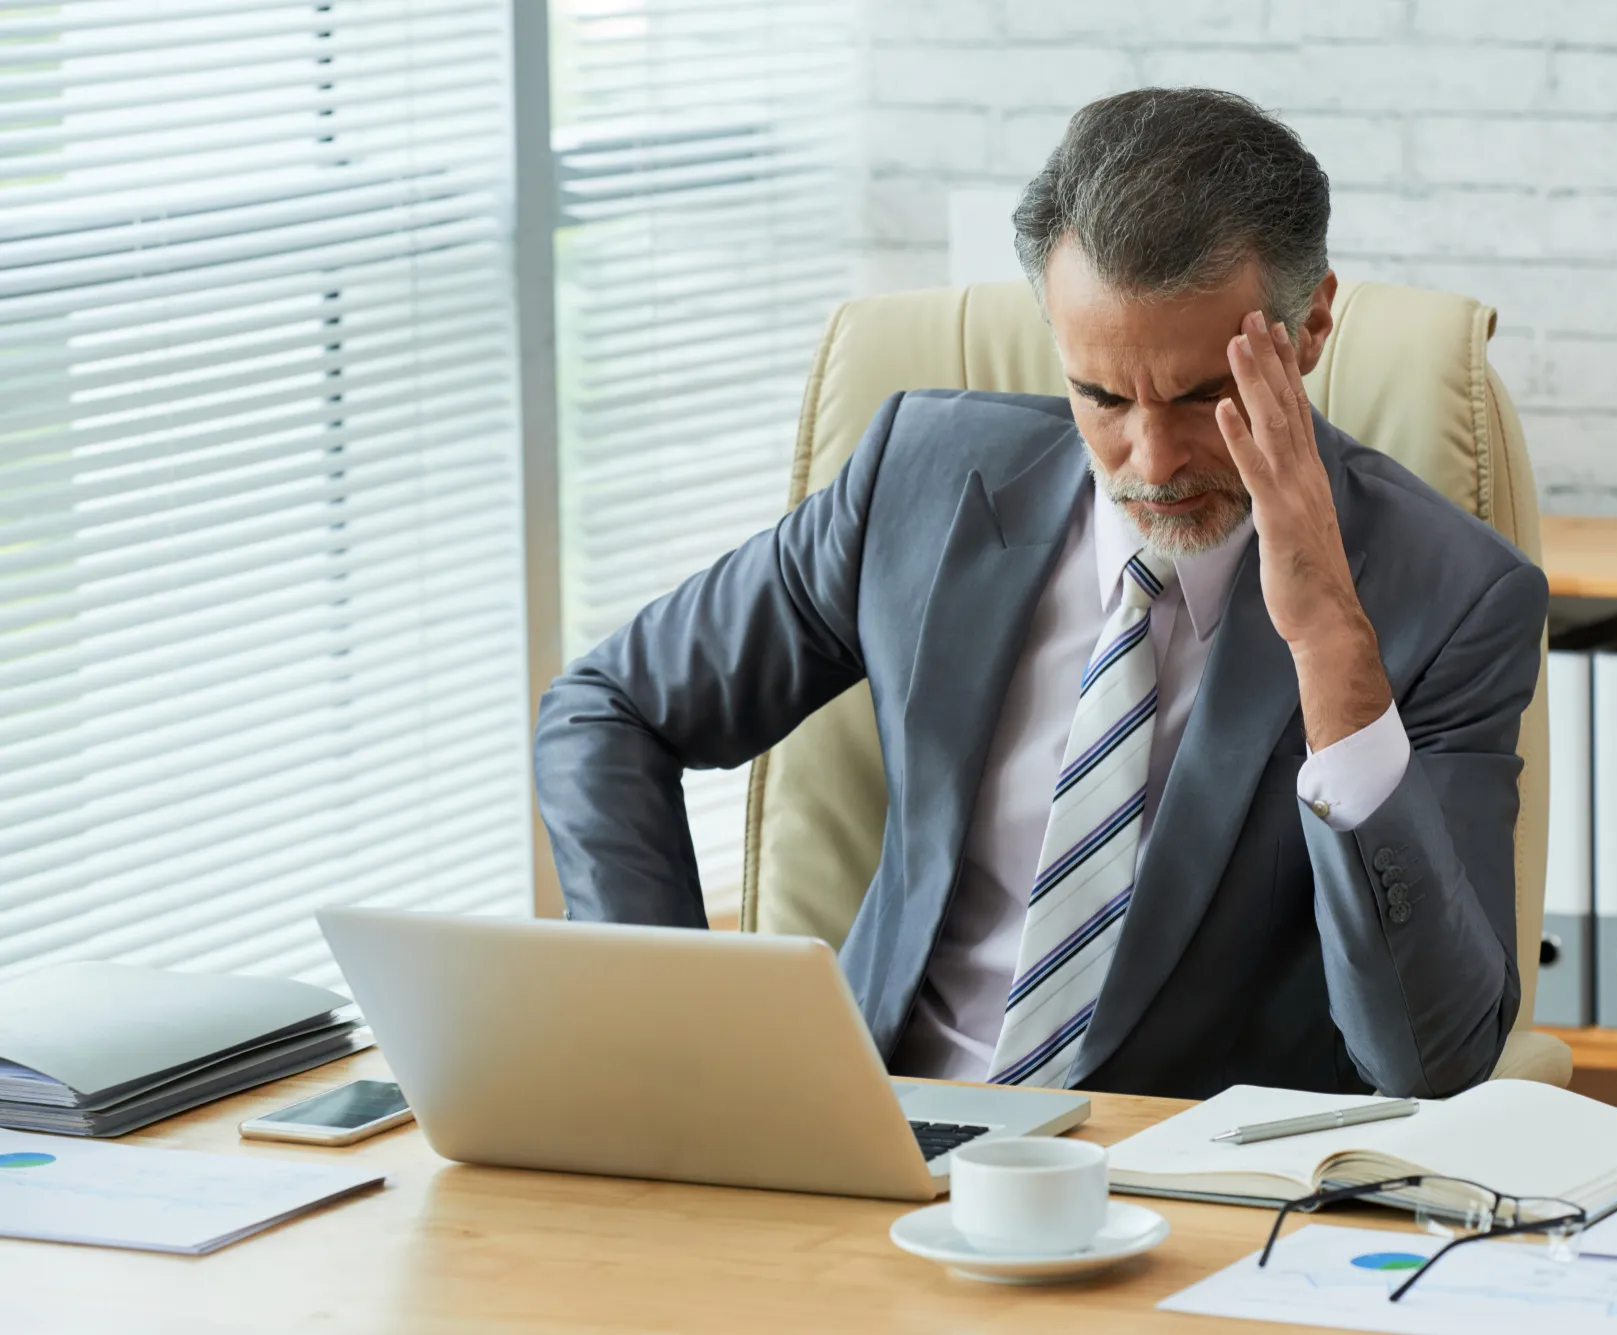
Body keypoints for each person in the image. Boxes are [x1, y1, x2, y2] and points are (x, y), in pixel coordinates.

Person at [534, 87, 1548, 1101]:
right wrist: (661, 1041)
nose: (1150, 460)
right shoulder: (917, 482)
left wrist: (1331, 646)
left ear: (1311, 323)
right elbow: (608, 711)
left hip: (1171, 1192)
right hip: (871, 1143)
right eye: (1101, 396)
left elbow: (1432, 1061)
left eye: (1203, 395)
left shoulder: (1452, 599)